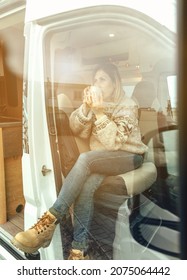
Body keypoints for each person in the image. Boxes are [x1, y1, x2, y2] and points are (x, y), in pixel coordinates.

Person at [11, 63, 148, 260]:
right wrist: (86, 107)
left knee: (85, 159)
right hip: (103, 158)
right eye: (95, 80)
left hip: (129, 156)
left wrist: (99, 112)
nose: (97, 84)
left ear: (115, 82)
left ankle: (49, 222)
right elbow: (76, 129)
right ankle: (79, 250)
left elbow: (112, 143)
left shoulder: (128, 104)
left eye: (103, 79)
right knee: (87, 187)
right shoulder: (96, 104)